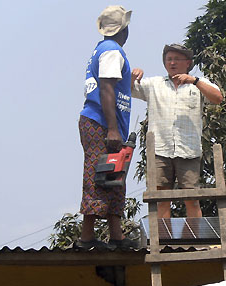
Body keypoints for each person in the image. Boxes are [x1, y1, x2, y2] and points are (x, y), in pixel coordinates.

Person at [131, 44, 223, 219]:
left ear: (187, 62)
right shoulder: (154, 84)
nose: (172, 63)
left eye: (176, 59)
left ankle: (194, 244)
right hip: (159, 149)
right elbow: (130, 90)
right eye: (168, 59)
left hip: (188, 150)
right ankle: (165, 244)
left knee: (192, 198)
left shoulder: (199, 83)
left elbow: (218, 98)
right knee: (161, 199)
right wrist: (133, 76)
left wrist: (194, 81)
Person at [75, 5, 137, 250]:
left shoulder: (103, 49)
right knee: (98, 175)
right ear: (124, 29)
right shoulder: (112, 51)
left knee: (113, 175)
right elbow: (107, 88)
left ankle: (116, 236)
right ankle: (87, 238)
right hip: (101, 122)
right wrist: (112, 128)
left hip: (104, 122)